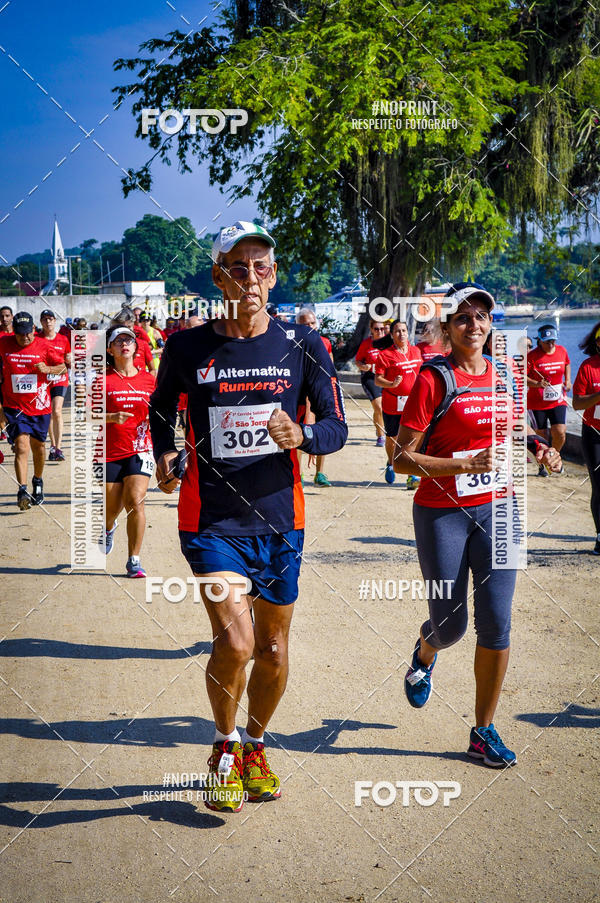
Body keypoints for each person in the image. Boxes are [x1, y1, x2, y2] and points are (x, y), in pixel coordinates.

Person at [149, 220, 347, 813]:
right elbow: (161, 409)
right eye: (239, 268)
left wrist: (304, 434)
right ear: (219, 276)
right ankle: (223, 747)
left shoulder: (304, 346)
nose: (253, 278)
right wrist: (164, 453)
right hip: (210, 521)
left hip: (281, 521)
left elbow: (337, 428)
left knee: (275, 650)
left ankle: (256, 745)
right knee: (235, 642)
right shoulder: (187, 347)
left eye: (262, 267)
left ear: (275, 275)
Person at [393, 283, 561, 767]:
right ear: (446, 327)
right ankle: (426, 652)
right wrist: (464, 466)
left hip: (501, 510)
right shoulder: (433, 379)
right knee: (451, 625)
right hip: (441, 512)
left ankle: (482, 731)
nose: (474, 325)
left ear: (491, 324)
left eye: (482, 316)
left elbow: (519, 428)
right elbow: (401, 459)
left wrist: (541, 449)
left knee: (497, 625)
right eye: (463, 317)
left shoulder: (505, 374)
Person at [97, 326, 156, 577]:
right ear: (110, 349)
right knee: (112, 507)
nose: (124, 344)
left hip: (141, 449)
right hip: (109, 451)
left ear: (136, 347)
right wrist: (111, 417)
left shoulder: (149, 381)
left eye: (129, 340)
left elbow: (162, 414)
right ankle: (109, 528)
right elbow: (85, 415)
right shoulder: (102, 380)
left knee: (135, 501)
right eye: (118, 341)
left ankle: (134, 559)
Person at [0, 312, 66, 508]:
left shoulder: (44, 345)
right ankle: (22, 489)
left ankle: (37, 480)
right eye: (21, 334)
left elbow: (62, 367)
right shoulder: (4, 344)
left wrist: (48, 370)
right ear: (15, 332)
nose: (25, 338)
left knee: (39, 448)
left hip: (39, 406)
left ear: (33, 330)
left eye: (28, 333)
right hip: (15, 406)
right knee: (21, 446)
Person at [374, 319, 422, 487]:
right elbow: (377, 379)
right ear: (392, 335)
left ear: (408, 333)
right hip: (393, 403)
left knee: (413, 438)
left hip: (413, 402)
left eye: (404, 330)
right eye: (397, 331)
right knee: (393, 438)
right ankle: (390, 463)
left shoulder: (416, 351)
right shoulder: (385, 354)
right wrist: (391, 384)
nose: (401, 334)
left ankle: (412, 475)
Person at [296, 307, 336, 486]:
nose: (310, 327)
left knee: (322, 430)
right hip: (300, 394)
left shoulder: (325, 342)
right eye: (305, 324)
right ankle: (299, 473)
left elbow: (331, 369)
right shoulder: (293, 343)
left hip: (320, 393)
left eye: (312, 323)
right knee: (299, 431)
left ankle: (320, 473)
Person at [527, 324, 570, 476]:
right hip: (536, 402)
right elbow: (522, 378)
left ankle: (554, 458)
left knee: (560, 432)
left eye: (553, 341)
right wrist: (537, 383)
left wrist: (568, 380)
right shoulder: (532, 356)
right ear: (539, 340)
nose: (551, 344)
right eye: (547, 341)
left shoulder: (562, 350)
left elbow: (567, 364)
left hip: (557, 398)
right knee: (541, 435)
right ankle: (542, 465)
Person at [572, 321, 600, 555]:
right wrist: (598, 396)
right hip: (594, 435)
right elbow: (577, 402)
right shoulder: (588, 367)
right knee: (599, 486)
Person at [39, 310, 71, 462]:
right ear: (41, 322)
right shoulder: (37, 339)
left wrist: (69, 360)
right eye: (45, 319)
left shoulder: (63, 339)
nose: (48, 322)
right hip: (43, 380)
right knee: (49, 412)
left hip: (59, 377)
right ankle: (52, 446)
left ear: (55, 321)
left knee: (56, 410)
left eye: (51, 319)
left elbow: (68, 359)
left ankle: (58, 447)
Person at [355, 319, 386, 447]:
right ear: (371, 330)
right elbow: (358, 361)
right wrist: (363, 366)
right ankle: (381, 436)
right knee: (379, 406)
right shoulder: (366, 343)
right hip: (370, 377)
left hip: (386, 377)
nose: (379, 331)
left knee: (383, 408)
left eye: (382, 329)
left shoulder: (389, 342)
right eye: (376, 329)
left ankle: (383, 429)